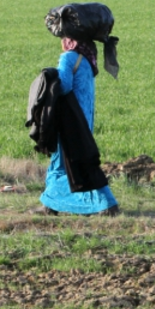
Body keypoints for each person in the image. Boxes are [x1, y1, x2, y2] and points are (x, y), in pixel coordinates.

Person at [35, 37, 120, 216]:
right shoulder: (87, 62)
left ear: (71, 42)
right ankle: (50, 205)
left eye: (64, 39)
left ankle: (106, 204)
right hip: (84, 120)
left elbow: (64, 86)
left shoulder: (68, 58)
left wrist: (49, 77)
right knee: (77, 163)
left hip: (69, 121)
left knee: (63, 164)